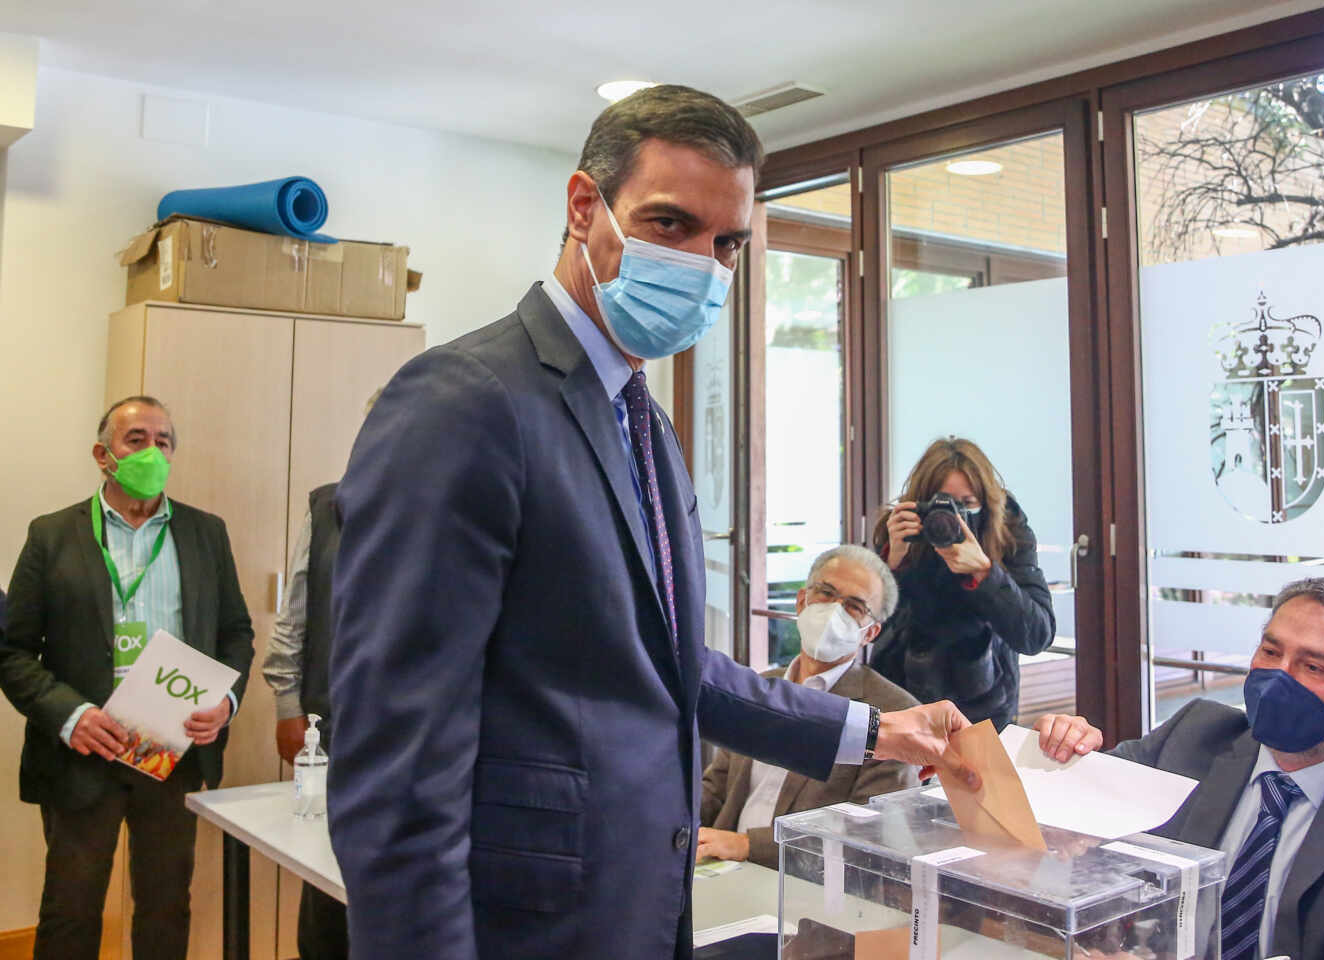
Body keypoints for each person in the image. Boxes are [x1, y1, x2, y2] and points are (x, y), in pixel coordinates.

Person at [327, 84, 976, 960]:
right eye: (671, 225)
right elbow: (398, 765)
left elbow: (669, 670)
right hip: (523, 923)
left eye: (728, 244)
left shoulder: (643, 418)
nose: (704, 267)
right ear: (583, 206)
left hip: (636, 904)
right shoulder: (466, 401)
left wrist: (872, 730)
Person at [1036, 577, 1324, 960]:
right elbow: (1067, 815)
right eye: (1270, 652)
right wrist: (1059, 753)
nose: (1278, 677)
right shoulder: (1195, 734)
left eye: (1313, 667)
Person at [0, 396, 254, 960]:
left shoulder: (206, 533)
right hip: (83, 751)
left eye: (164, 441)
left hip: (171, 750)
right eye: (136, 439)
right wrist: (70, 715)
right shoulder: (51, 535)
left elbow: (236, 633)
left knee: (166, 906)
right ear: (103, 454)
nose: (152, 451)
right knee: (70, 909)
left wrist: (226, 702)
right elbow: (13, 652)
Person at [698, 545, 920, 868]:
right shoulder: (760, 689)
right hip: (718, 867)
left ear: (870, 632)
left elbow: (867, 836)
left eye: (854, 606)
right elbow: (715, 788)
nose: (834, 611)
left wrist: (748, 845)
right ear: (801, 600)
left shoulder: (890, 716)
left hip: (801, 889)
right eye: (826, 593)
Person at [869, 437, 1055, 728]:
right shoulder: (900, 530)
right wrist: (891, 565)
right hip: (900, 698)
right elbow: (866, 628)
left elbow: (1036, 636)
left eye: (966, 504)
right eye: (943, 503)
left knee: (975, 774)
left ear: (986, 501)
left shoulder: (1008, 532)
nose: (953, 516)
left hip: (985, 704)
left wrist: (985, 573)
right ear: (921, 501)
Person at [261, 481, 346, 960]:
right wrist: (287, 704)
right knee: (325, 883)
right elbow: (294, 611)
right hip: (332, 727)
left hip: (425, 734)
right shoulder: (327, 506)